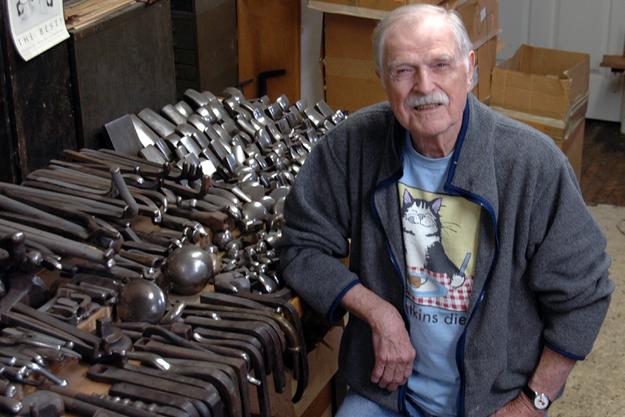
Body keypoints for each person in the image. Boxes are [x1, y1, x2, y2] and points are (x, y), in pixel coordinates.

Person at [278, 4, 613, 417]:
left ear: (470, 70)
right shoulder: (350, 146)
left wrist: (533, 401)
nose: (424, 85)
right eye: (403, 70)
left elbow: (585, 294)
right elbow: (301, 246)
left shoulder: (533, 165)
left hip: (495, 401)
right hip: (384, 390)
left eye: (441, 64)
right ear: (381, 78)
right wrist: (377, 311)